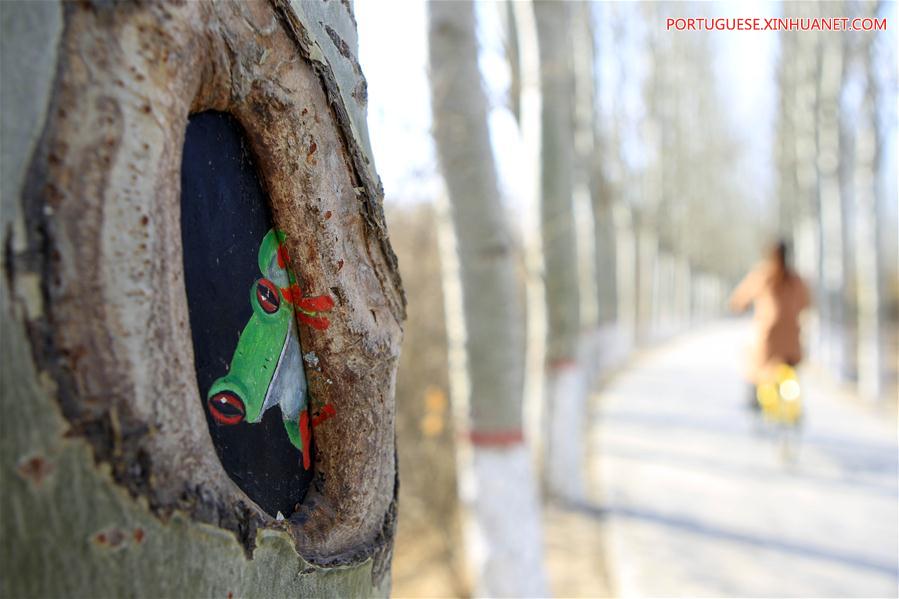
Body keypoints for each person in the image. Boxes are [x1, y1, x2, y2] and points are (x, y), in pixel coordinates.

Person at [729, 240, 811, 410]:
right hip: (792, 343)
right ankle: (792, 406)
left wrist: (738, 306)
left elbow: (739, 299)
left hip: (768, 341)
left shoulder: (763, 276)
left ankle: (755, 400)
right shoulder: (796, 279)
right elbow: (806, 303)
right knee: (791, 372)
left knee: (753, 363)